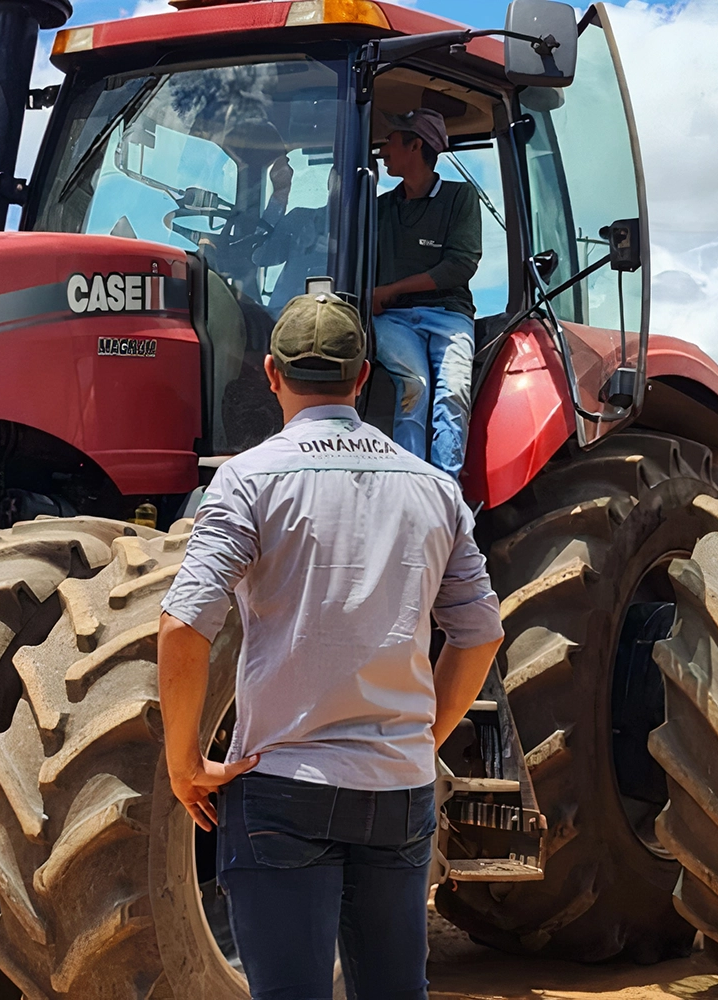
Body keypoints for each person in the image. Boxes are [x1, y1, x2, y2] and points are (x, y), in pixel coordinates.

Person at [157, 292, 504, 1000]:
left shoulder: (247, 481)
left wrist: (185, 760)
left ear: (271, 375)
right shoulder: (436, 490)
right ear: (365, 376)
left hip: (282, 787)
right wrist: (423, 736)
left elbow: (185, 623)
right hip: (398, 793)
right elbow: (480, 633)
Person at [373, 108, 482, 478]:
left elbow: (459, 266)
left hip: (448, 317)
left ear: (415, 144)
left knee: (452, 392)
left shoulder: (460, 198)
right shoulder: (379, 208)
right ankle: (411, 483)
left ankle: (445, 489)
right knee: (413, 386)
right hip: (395, 320)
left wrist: (391, 289)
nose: (384, 150)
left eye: (390, 141)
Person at [254, 154, 332, 314]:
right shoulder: (300, 220)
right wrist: (280, 193)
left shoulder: (378, 231)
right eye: (341, 178)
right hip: (283, 317)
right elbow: (259, 256)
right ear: (330, 182)